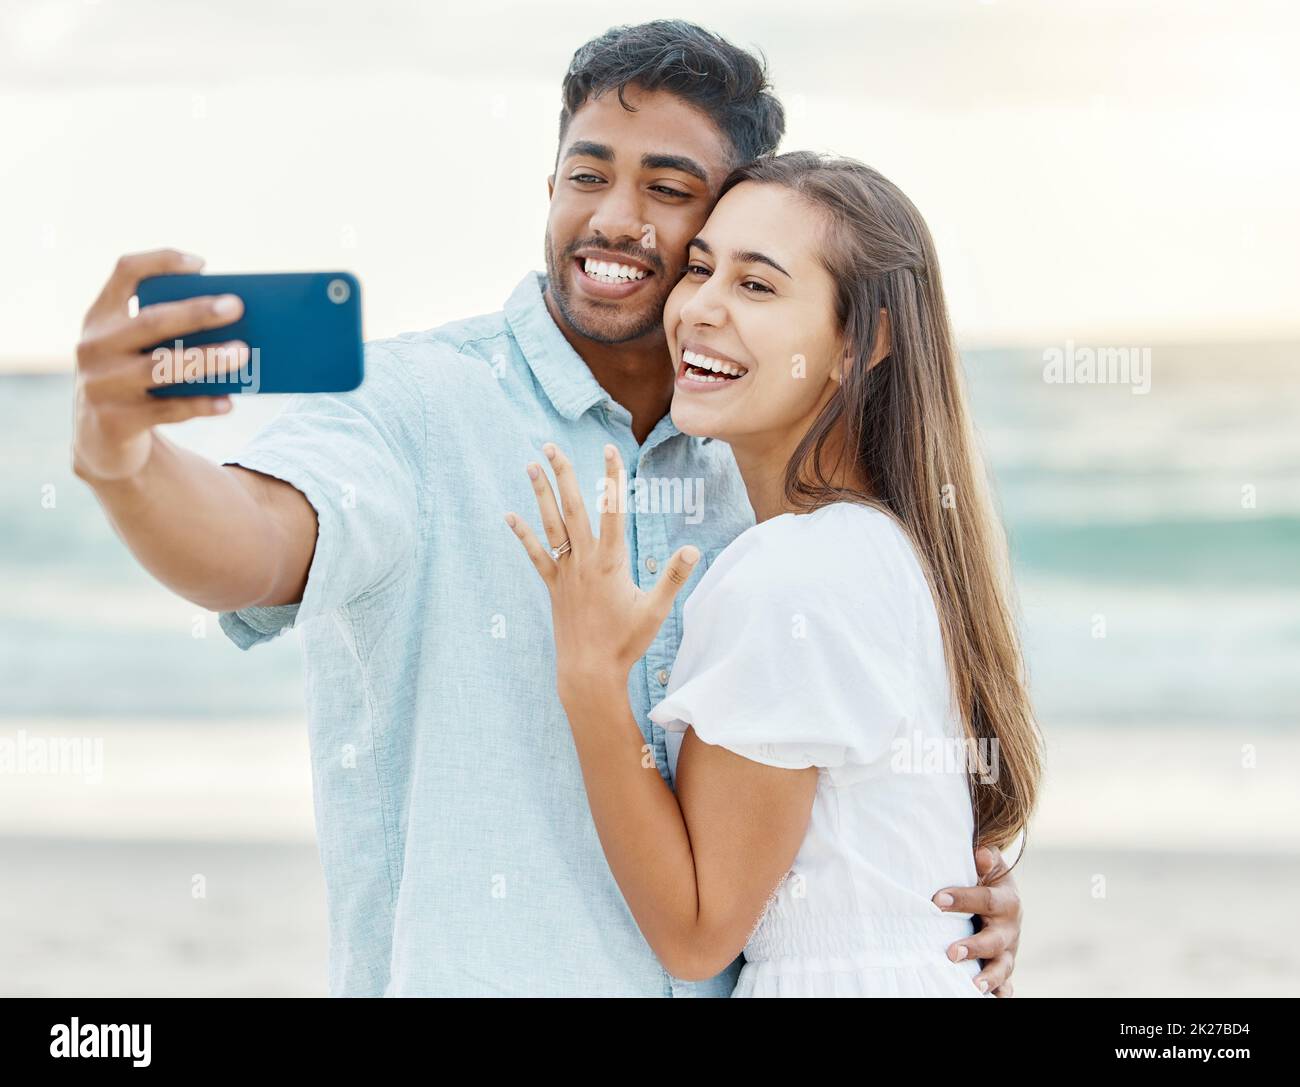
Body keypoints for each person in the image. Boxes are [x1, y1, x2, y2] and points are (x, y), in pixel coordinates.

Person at [71, 21, 1023, 996]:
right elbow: (254, 542)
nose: (614, 218)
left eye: (666, 189)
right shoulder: (414, 404)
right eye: (585, 174)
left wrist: (917, 914)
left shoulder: (765, 471)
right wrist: (125, 462)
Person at [508, 151, 1042, 996]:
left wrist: (589, 675)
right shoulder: (882, 546)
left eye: (757, 287)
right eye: (700, 269)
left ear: (861, 341)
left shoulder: (792, 569)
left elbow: (695, 932)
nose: (698, 310)